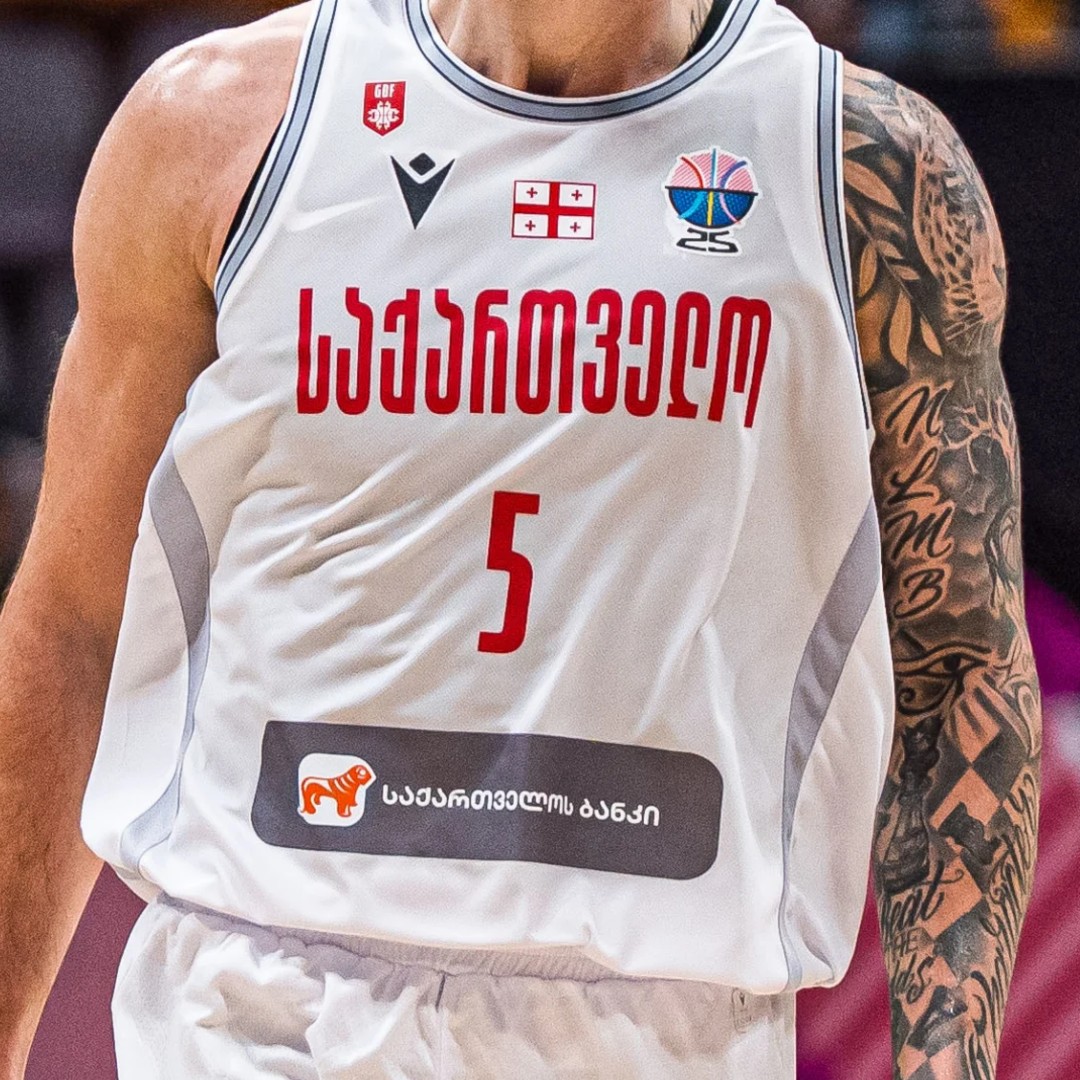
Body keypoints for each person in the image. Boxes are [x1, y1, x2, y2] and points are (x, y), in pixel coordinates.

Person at [0, 0, 1040, 1076]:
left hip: (670, 1027)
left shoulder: (866, 170)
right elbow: (72, 618)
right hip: (252, 1008)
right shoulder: (220, 125)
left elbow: (960, 668)